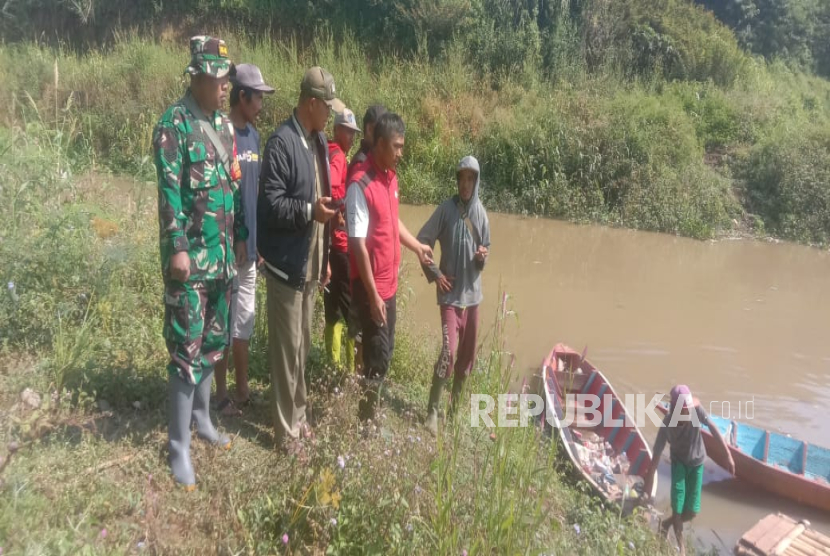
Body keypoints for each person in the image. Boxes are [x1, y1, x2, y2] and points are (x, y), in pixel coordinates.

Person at [152, 35, 247, 489]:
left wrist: (243, 239)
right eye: (218, 78)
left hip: (223, 262)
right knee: (184, 352)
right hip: (190, 265)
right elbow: (169, 194)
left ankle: (204, 423)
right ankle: (178, 449)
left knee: (211, 346)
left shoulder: (224, 128)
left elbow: (231, 190)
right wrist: (177, 248)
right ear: (198, 76)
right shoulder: (173, 126)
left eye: (227, 77)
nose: (225, 85)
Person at [257, 66, 341, 450]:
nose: (331, 115)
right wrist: (309, 211)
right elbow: (270, 206)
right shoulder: (281, 143)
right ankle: (285, 433)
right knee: (286, 356)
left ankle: (300, 415)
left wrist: (323, 256)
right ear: (311, 103)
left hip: (310, 266)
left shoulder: (318, 141)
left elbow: (320, 196)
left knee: (302, 348)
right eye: (327, 107)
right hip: (286, 267)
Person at [346, 112, 434, 421]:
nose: (401, 153)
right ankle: (366, 421)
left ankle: (369, 410)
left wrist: (418, 247)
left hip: (389, 287)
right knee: (376, 357)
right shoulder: (361, 184)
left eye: (402, 146)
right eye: (396, 146)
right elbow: (357, 244)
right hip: (373, 290)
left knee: (385, 351)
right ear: (380, 144)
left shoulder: (389, 178)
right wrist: (372, 297)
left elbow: (391, 221)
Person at [214, 63, 275, 416]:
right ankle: (221, 392)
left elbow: (257, 194)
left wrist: (260, 242)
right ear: (242, 96)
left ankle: (241, 389)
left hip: (251, 249)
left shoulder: (253, 135)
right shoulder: (222, 134)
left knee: (244, 321)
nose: (262, 104)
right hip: (225, 247)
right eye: (258, 97)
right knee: (222, 321)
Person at [417, 156, 490, 435]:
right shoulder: (445, 210)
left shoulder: (481, 214)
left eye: (471, 179)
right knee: (448, 353)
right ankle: (432, 411)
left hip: (473, 300)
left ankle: (454, 410)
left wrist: (482, 256)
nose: (466, 184)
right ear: (457, 180)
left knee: (467, 358)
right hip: (449, 298)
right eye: (462, 178)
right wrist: (435, 273)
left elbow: (486, 248)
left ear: (476, 182)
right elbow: (423, 240)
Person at [643, 385, 735, 556]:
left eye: (688, 410)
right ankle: (682, 549)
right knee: (678, 508)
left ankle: (666, 525)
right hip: (679, 464)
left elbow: (712, 426)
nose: (687, 414)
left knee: (692, 511)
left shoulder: (696, 412)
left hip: (698, 463)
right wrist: (647, 493)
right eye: (683, 411)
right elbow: (655, 459)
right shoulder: (667, 425)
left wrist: (727, 454)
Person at [345, 104, 386, 374]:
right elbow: (358, 237)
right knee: (361, 330)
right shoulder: (361, 165)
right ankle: (356, 377)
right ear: (370, 130)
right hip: (363, 269)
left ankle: (357, 377)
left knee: (365, 332)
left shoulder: (375, 165)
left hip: (372, 267)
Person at [324, 108, 361, 372]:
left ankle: (332, 364)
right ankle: (349, 369)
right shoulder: (337, 157)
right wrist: (338, 213)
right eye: (347, 131)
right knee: (350, 310)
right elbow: (331, 189)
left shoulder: (325, 151)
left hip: (329, 246)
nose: (351, 137)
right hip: (341, 244)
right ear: (337, 130)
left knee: (333, 307)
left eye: (353, 133)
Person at [348, 104, 386, 174]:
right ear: (369, 129)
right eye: (381, 129)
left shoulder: (375, 159)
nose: (385, 135)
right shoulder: (361, 165)